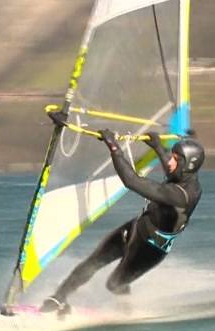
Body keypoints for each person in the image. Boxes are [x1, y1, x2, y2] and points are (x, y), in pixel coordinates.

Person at [40, 113, 204, 316]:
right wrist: (158, 148)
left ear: (187, 165)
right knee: (93, 262)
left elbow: (133, 182)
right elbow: (173, 172)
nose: (170, 161)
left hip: (150, 250)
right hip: (137, 228)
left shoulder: (182, 195)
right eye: (172, 157)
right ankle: (58, 299)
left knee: (113, 284)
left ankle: (126, 312)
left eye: (176, 159)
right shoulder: (185, 175)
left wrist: (114, 147)